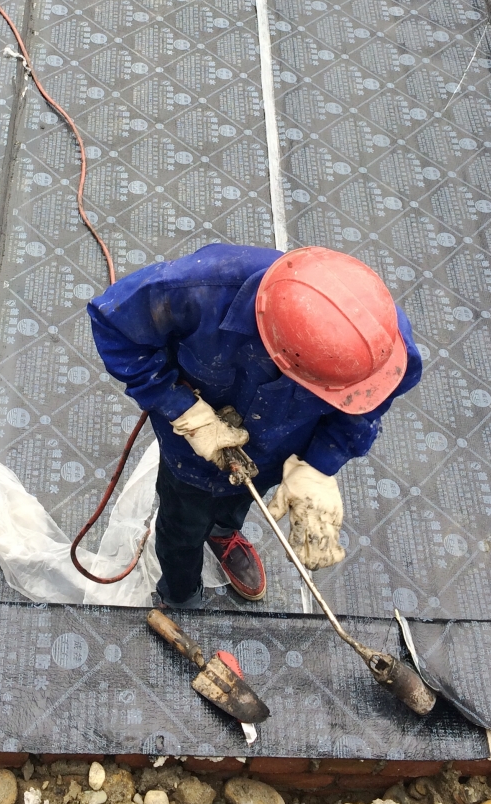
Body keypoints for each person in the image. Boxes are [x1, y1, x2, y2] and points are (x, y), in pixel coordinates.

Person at [88, 244, 422, 609]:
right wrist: (181, 409)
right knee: (182, 527)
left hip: (279, 449)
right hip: (193, 451)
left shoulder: (385, 349)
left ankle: (222, 533)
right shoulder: (200, 288)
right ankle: (180, 595)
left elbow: (365, 406)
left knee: (239, 502)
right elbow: (113, 324)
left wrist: (319, 466)